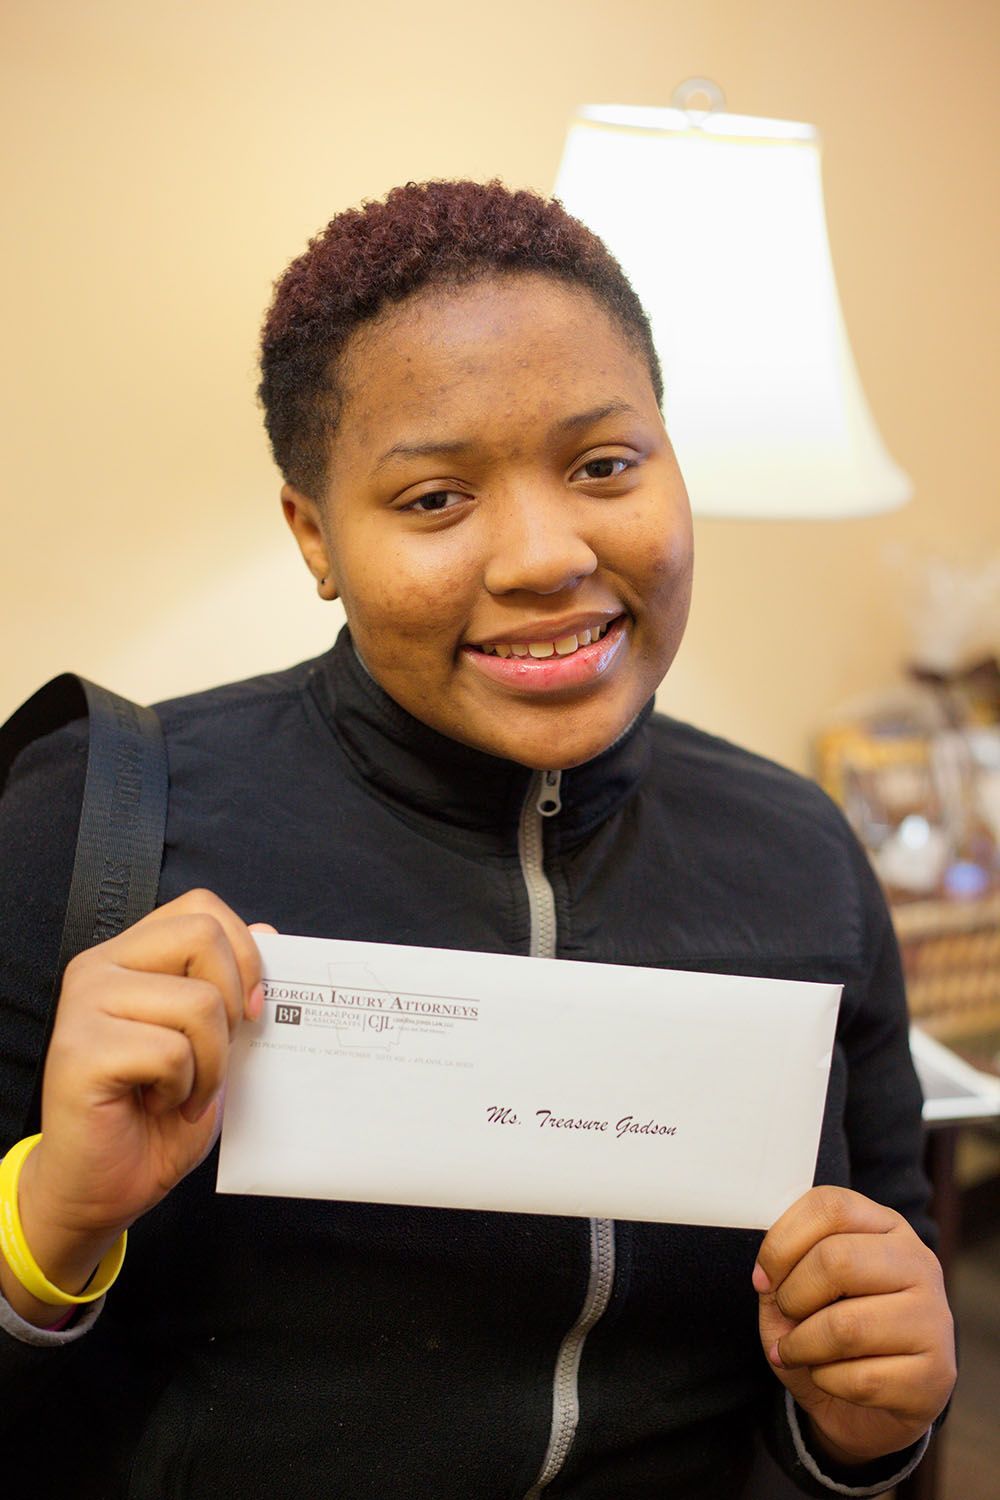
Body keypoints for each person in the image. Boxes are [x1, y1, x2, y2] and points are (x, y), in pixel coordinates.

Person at [0, 179, 955, 1498]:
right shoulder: (99, 817)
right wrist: (45, 1236)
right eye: (437, 498)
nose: (546, 555)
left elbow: (871, 1401)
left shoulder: (803, 852)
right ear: (314, 535)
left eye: (605, 465)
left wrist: (869, 1427)